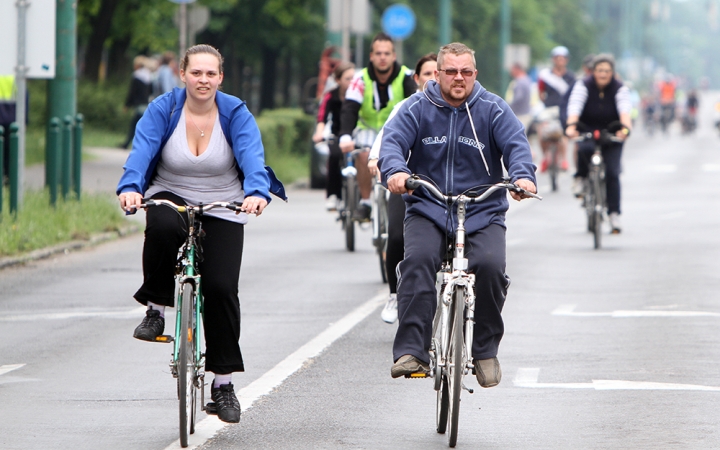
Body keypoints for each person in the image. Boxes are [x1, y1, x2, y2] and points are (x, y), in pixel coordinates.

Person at [116, 44, 285, 424]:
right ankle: (156, 310)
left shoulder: (235, 112)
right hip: (170, 194)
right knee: (159, 224)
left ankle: (222, 385)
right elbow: (141, 151)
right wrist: (130, 187)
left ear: (220, 77)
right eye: (197, 73)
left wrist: (257, 193)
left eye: (211, 74)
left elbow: (251, 156)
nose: (203, 80)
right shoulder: (165, 109)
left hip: (224, 203)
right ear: (183, 74)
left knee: (222, 288)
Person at [379, 42, 537, 386]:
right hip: (429, 206)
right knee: (418, 262)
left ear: (475, 74)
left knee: (492, 267)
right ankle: (412, 351)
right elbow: (392, 144)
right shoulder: (416, 108)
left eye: (466, 71)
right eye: (451, 71)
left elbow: (516, 145)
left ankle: (484, 352)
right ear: (437, 74)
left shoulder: (493, 109)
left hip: (482, 210)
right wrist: (395, 171)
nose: (458, 78)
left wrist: (523, 175)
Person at [367, 53, 437, 324]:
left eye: (437, 73)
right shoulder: (407, 107)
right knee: (396, 236)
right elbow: (387, 138)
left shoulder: (459, 106)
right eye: (427, 74)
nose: (433, 79)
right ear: (417, 79)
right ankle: (396, 294)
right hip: (406, 183)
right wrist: (376, 159)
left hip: (444, 187)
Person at [338, 32, 416, 222]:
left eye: (387, 53)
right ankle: (365, 202)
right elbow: (349, 109)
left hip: (396, 128)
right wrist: (345, 136)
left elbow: (414, 108)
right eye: (378, 53)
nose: (383, 57)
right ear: (371, 56)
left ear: (394, 56)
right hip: (367, 128)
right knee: (364, 154)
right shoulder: (360, 78)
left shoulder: (406, 77)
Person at [565, 53, 632, 234]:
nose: (603, 74)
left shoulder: (619, 88)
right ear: (593, 72)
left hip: (612, 133)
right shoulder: (583, 85)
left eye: (607, 71)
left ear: (613, 72)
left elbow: (625, 111)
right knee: (583, 150)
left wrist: (625, 129)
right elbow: (575, 106)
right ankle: (581, 177)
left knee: (612, 173)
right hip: (588, 130)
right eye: (600, 70)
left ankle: (614, 214)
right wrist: (571, 126)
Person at [312, 61, 356, 211]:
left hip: (358, 135)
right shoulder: (330, 96)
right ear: (338, 80)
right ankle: (333, 195)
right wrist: (319, 133)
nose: (352, 82)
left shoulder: (361, 94)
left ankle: (365, 198)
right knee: (334, 156)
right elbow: (322, 117)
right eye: (347, 79)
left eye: (354, 78)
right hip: (338, 135)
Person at [537, 46, 575, 172]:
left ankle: (563, 159)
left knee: (563, 132)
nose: (560, 60)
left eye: (562, 58)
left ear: (566, 60)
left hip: (565, 109)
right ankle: (545, 158)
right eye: (557, 58)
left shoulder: (571, 77)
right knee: (541, 130)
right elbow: (541, 93)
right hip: (549, 108)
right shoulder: (546, 76)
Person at [119, 55, 154, 149]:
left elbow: (132, 92)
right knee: (141, 125)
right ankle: (129, 143)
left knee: (135, 125)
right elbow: (151, 91)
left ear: (138, 65)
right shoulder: (148, 75)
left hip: (138, 104)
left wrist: (127, 105)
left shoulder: (137, 75)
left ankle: (127, 144)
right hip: (146, 104)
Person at [507, 62, 533, 134]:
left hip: (520, 114)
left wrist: (508, 107)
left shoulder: (520, 82)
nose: (511, 72)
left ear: (517, 69)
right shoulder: (527, 79)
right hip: (527, 112)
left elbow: (519, 98)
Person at [0, 75, 16, 179]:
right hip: (12, 120)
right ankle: (9, 178)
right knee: (10, 152)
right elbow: (25, 97)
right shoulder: (14, 76)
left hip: (1, 118)